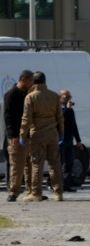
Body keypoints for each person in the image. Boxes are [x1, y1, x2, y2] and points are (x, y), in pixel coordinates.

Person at [19, 72, 64, 202]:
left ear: (33, 82)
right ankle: (58, 192)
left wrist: (22, 135)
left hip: (37, 134)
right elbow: (60, 117)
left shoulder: (30, 97)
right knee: (54, 163)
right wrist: (61, 133)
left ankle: (36, 193)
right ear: (45, 81)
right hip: (52, 134)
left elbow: (26, 118)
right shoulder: (55, 96)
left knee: (37, 163)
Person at [3, 70, 34, 202]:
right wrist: (14, 135)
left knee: (30, 165)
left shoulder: (28, 94)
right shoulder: (11, 95)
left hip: (29, 135)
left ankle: (31, 191)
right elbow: (8, 116)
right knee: (17, 165)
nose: (32, 83)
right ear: (24, 80)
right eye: (31, 81)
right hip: (17, 136)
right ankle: (13, 192)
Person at [59, 90, 83, 192]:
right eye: (67, 96)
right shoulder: (58, 108)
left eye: (70, 96)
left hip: (69, 139)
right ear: (61, 97)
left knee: (69, 163)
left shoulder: (70, 110)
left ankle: (66, 184)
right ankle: (54, 183)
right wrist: (67, 109)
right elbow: (61, 120)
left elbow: (74, 126)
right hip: (60, 140)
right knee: (60, 163)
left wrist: (78, 140)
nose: (69, 99)